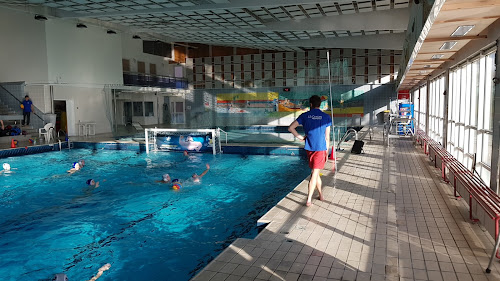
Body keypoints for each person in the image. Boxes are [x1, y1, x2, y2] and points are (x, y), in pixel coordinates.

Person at [288, 95, 332, 207]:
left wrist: (300, 137)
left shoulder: (305, 116)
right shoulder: (326, 117)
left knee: (315, 172)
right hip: (320, 148)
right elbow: (327, 137)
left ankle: (321, 195)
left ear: (311, 104)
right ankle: (308, 200)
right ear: (319, 104)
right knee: (314, 173)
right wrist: (327, 152)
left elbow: (291, 128)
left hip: (309, 148)